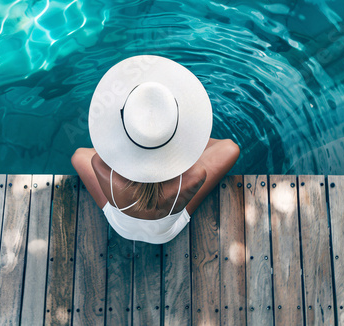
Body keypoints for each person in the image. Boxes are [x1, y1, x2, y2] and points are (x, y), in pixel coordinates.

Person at [71, 55, 240, 244]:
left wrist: (131, 138)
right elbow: (206, 154)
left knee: (79, 156)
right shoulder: (195, 176)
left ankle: (143, 138)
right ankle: (158, 138)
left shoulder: (100, 167)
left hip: (119, 225)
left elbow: (101, 154)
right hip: (164, 234)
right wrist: (179, 136)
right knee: (230, 148)